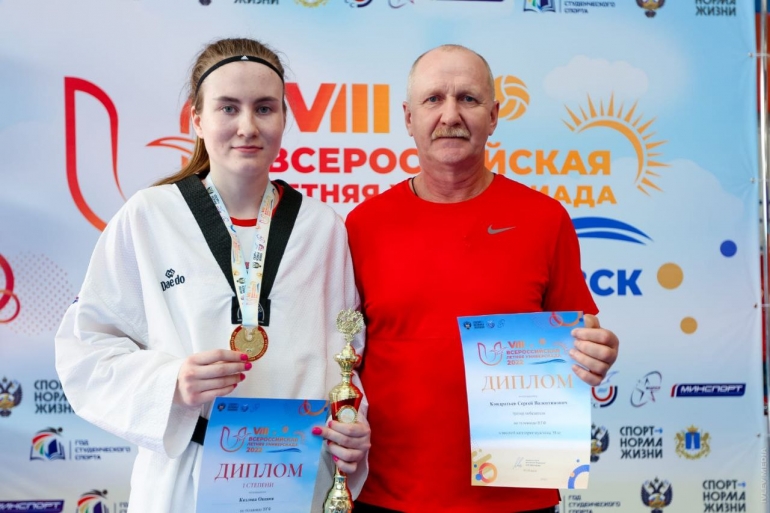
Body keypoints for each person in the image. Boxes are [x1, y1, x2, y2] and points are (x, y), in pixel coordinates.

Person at [55, 37, 370, 513]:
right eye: (228, 108)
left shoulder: (322, 228)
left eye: (264, 108)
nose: (247, 127)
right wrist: (171, 382)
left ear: (285, 118)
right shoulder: (149, 217)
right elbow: (87, 347)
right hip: (185, 479)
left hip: (296, 475)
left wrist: (352, 421)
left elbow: (348, 355)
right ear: (197, 120)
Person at [345, 44, 619, 513]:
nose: (450, 115)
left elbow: (581, 336)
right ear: (409, 118)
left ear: (493, 117)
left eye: (468, 99)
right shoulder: (362, 225)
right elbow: (340, 356)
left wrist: (594, 353)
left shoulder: (545, 219)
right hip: (388, 495)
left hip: (518, 496)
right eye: (434, 99)